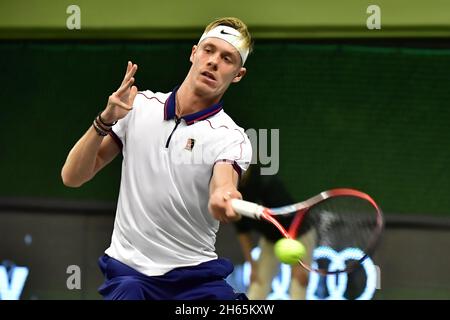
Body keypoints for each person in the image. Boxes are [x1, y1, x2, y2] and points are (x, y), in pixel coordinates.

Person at [61, 17, 253, 300]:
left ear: (238, 74)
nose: (213, 61)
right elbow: (72, 177)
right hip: (131, 276)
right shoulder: (137, 108)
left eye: (227, 58)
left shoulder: (232, 137)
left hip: (194, 278)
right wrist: (104, 120)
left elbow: (224, 183)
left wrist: (223, 195)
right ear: (193, 53)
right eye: (208, 50)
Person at [234, 164, 314, 300]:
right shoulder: (234, 192)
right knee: (257, 284)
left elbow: (292, 219)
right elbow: (242, 231)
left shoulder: (266, 182)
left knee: (299, 285)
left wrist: (298, 263)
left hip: (299, 233)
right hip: (271, 239)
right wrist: (252, 265)